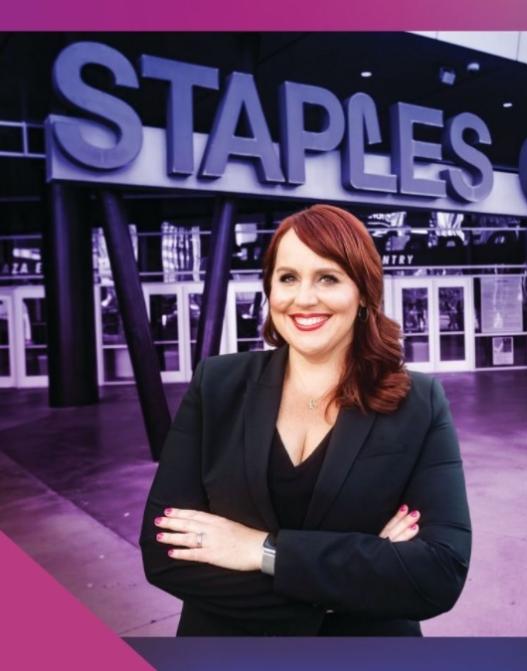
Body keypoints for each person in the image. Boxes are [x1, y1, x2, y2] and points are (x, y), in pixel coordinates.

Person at [139, 204, 471, 636]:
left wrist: (259, 550)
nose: (303, 298)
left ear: (364, 293)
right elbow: (165, 552)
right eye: (288, 278)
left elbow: (438, 572)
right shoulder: (217, 384)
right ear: (270, 289)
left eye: (328, 278)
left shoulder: (419, 402)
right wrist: (356, 582)